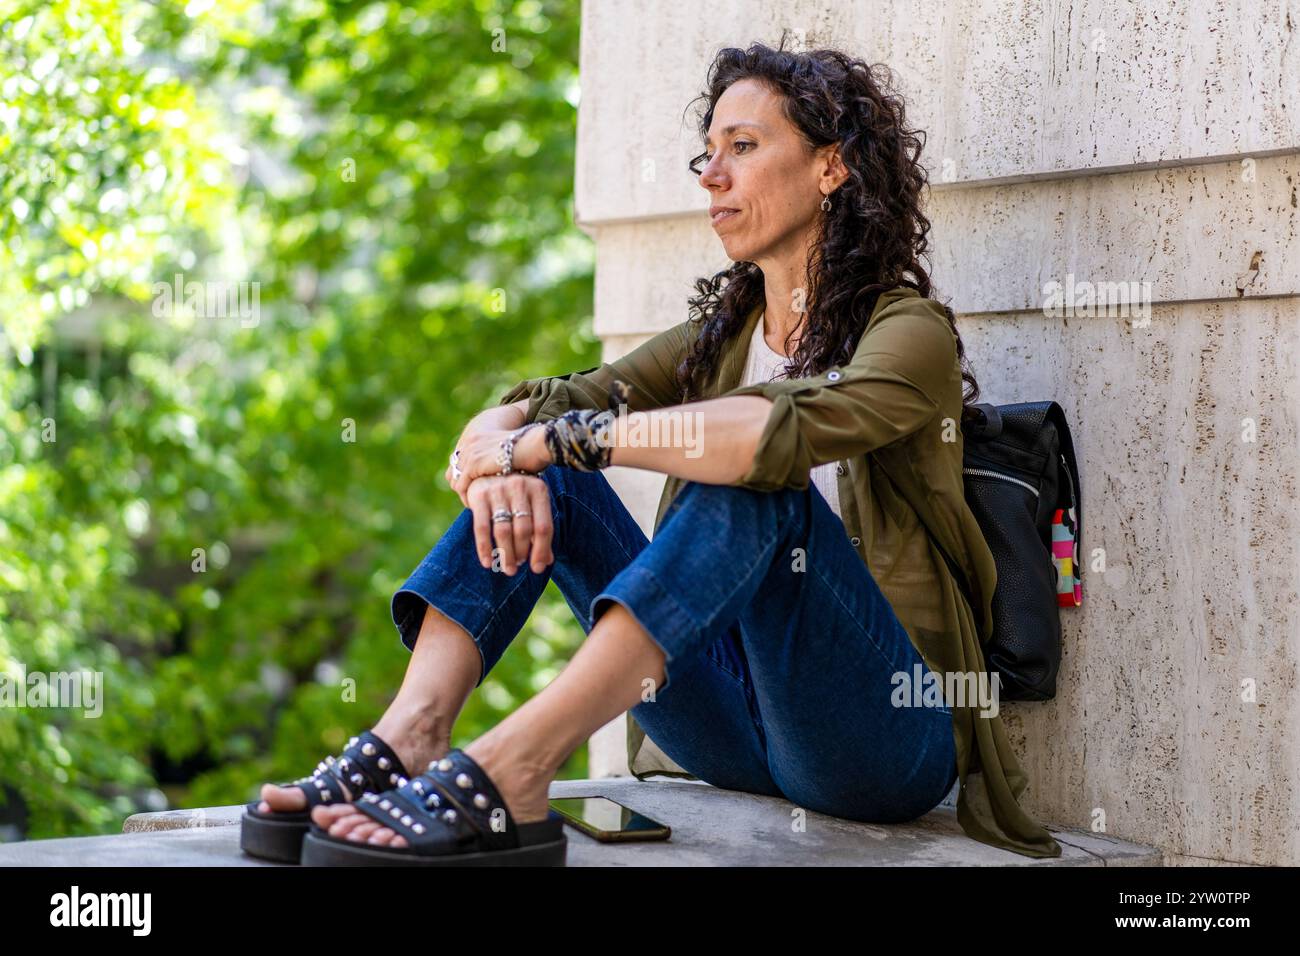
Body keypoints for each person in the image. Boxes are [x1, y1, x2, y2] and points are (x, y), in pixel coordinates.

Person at [254, 40, 1061, 862]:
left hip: (880, 739)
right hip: (726, 728)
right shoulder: (720, 340)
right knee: (553, 484)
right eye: (706, 155)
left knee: (752, 483)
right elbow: (519, 414)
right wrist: (501, 462)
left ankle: (515, 762)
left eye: (742, 148)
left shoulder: (907, 334)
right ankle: (410, 735)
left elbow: (761, 439)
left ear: (832, 167)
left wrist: (562, 442)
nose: (712, 176)